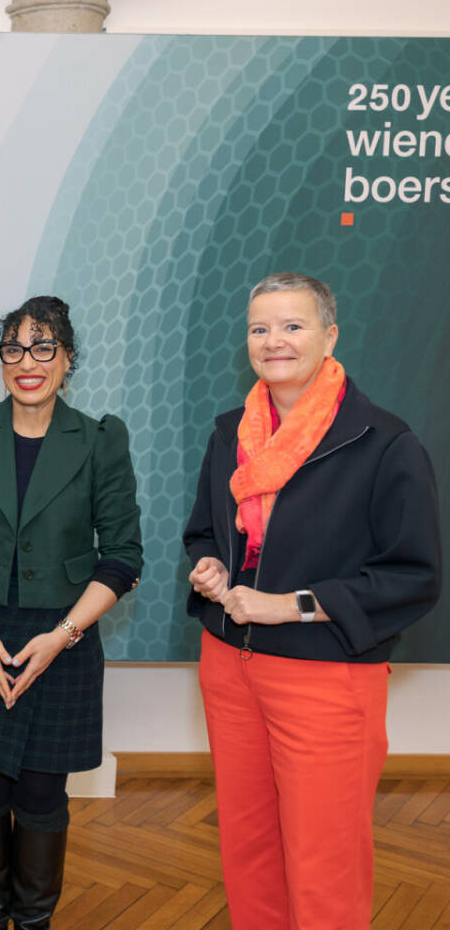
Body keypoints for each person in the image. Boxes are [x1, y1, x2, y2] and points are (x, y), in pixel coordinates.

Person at [183, 272, 441, 930]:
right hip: (227, 666)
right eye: (259, 328)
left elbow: (414, 576)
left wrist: (291, 604)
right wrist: (211, 567)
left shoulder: (384, 444)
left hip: (326, 674)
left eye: (293, 326)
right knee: (248, 849)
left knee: (323, 859)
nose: (274, 341)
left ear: (330, 336)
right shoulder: (228, 435)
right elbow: (206, 532)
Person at [0, 296, 142, 930]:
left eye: (44, 347)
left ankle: (35, 921)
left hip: (62, 636)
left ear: (67, 359)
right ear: (1, 360)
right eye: (13, 348)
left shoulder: (100, 440)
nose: (27, 361)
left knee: (43, 795)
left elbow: (122, 558)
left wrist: (63, 635)